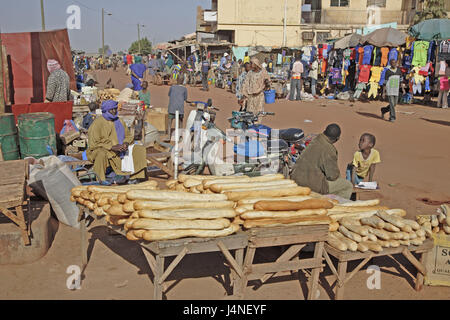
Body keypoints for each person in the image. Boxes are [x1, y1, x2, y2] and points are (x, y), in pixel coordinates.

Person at [87, 100, 147, 183]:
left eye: (115, 109)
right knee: (101, 154)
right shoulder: (97, 124)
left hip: (120, 148)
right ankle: (100, 181)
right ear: (106, 111)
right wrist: (112, 147)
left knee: (139, 150)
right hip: (102, 149)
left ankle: (135, 178)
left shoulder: (119, 121)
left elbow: (128, 136)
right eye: (111, 110)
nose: (114, 111)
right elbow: (94, 144)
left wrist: (125, 143)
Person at [291, 124, 353, 199]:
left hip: (295, 179)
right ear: (337, 138)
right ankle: (336, 207)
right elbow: (332, 176)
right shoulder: (329, 149)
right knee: (347, 185)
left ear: (324, 131)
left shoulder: (316, 139)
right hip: (309, 184)